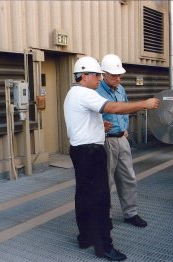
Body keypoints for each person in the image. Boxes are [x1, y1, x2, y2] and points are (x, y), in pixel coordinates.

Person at [63, 56, 159, 261]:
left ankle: (85, 237)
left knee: (83, 196)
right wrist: (145, 104)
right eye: (96, 74)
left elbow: (84, 120)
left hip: (80, 150)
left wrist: (100, 125)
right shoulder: (85, 94)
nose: (99, 78)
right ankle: (104, 247)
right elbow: (113, 108)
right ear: (83, 76)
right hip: (91, 152)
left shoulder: (74, 93)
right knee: (100, 199)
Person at [96, 54, 147, 228]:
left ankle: (131, 213)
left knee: (128, 178)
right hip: (105, 142)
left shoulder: (121, 89)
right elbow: (88, 116)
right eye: (114, 75)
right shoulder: (96, 91)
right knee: (106, 180)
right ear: (103, 74)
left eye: (120, 75)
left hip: (122, 138)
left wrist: (125, 128)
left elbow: (124, 108)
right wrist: (100, 124)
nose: (118, 78)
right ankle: (105, 216)